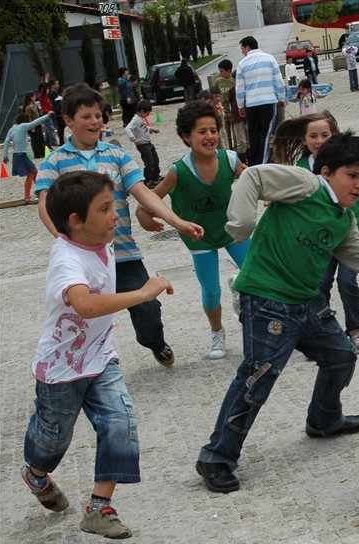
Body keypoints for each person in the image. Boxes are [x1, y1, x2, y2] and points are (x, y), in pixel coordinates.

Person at [194, 132, 359, 493]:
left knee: (341, 356)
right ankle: (216, 457)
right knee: (257, 377)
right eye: (352, 176)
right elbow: (253, 177)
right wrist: (241, 224)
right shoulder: (306, 184)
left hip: (306, 302)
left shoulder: (344, 218)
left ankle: (324, 420)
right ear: (327, 172)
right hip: (266, 300)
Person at [22, 170, 175, 538]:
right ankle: (36, 473)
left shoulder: (102, 242)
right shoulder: (65, 259)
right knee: (52, 441)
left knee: (120, 424)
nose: (116, 216)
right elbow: (85, 306)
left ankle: (99, 508)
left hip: (101, 357)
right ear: (75, 221)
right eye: (106, 209)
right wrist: (142, 293)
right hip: (61, 369)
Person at [36, 83, 204, 367]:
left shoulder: (117, 156)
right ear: (68, 121)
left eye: (98, 116)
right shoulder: (55, 161)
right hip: (82, 259)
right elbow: (44, 204)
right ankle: (83, 361)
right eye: (86, 117)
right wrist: (63, 239)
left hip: (122, 251)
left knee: (147, 307)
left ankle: (155, 342)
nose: (95, 122)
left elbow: (144, 193)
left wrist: (177, 222)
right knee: (82, 313)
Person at [151, 100, 249, 360]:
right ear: (187, 137)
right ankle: (217, 332)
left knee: (255, 272)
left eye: (213, 130)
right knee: (211, 290)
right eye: (202, 131)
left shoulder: (229, 159)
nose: (210, 136)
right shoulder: (179, 171)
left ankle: (240, 291)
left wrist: (267, 193)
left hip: (231, 228)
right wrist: (144, 217)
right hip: (199, 236)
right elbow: (150, 199)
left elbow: (251, 179)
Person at [274, 111, 359, 354]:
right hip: (319, 239)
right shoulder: (299, 170)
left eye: (325, 135)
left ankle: (356, 329)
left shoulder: (349, 164)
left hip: (348, 233)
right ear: (304, 140)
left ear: (335, 135)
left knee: (348, 281)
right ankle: (320, 332)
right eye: (313, 136)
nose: (319, 140)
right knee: (320, 284)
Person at [236, 36, 286, 166]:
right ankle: (261, 162)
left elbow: (240, 88)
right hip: (268, 101)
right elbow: (279, 81)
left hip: (251, 104)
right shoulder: (269, 59)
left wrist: (240, 105)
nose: (242, 52)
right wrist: (281, 98)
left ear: (248, 47)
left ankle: (255, 161)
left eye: (242, 49)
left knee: (253, 132)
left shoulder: (242, 64)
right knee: (267, 131)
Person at [2, 110, 53, 204]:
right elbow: (35, 122)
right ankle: (27, 196)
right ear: (24, 120)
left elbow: (6, 143)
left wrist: (5, 156)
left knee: (35, 172)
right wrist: (48, 116)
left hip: (16, 155)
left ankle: (42, 192)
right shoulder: (23, 126)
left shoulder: (12, 129)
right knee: (31, 174)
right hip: (22, 155)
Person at [125, 99, 162, 188]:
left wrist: (152, 130)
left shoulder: (141, 119)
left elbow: (144, 127)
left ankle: (156, 176)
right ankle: (148, 180)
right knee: (149, 162)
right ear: (142, 111)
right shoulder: (135, 120)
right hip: (142, 144)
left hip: (148, 142)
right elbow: (127, 129)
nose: (147, 115)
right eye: (147, 113)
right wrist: (133, 139)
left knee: (155, 160)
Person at [214, 60, 237, 150]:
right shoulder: (218, 81)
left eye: (222, 71)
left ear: (229, 70)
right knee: (226, 136)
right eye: (219, 71)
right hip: (223, 112)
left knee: (236, 135)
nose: (220, 73)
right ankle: (229, 151)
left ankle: (237, 153)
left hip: (233, 112)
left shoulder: (233, 81)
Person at [23, 92, 46, 161]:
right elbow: (28, 118)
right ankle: (37, 153)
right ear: (31, 98)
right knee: (35, 140)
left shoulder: (34, 105)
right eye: (33, 96)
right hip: (33, 125)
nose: (35, 97)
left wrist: (41, 123)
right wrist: (31, 127)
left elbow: (38, 115)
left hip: (38, 124)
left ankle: (42, 152)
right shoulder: (28, 108)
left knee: (40, 139)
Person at [38, 82, 58, 149]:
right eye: (47, 89)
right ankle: (53, 141)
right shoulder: (42, 95)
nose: (48, 90)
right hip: (46, 113)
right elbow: (44, 89)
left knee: (48, 129)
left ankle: (47, 142)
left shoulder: (46, 97)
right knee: (51, 127)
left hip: (48, 113)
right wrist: (46, 81)